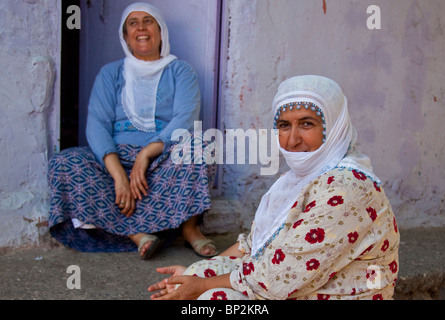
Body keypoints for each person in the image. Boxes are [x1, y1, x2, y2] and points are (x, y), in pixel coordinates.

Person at [148, 75, 400, 300]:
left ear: (334, 127)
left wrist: (199, 287)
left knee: (215, 300)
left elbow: (279, 277)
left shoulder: (349, 187)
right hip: (293, 283)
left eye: (307, 124)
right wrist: (196, 277)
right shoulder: (296, 180)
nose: (292, 139)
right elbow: (252, 246)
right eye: (284, 125)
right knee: (197, 273)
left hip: (322, 291)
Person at [48, 2, 217, 259]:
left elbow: (186, 118)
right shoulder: (110, 74)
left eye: (148, 21)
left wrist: (147, 153)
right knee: (64, 162)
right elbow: (97, 124)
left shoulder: (181, 71)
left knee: (201, 145)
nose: (141, 28)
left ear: (161, 31)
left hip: (163, 157)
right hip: (115, 157)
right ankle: (137, 235)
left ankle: (190, 228)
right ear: (125, 35)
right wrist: (118, 175)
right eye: (133, 23)